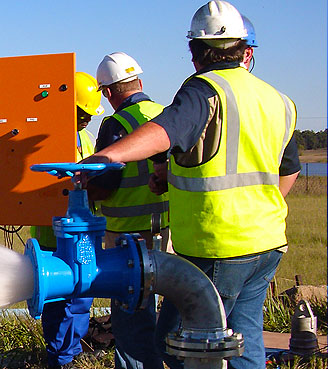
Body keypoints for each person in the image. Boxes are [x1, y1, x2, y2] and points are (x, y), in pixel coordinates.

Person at [79, 1, 300, 367]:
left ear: (194, 53)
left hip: (219, 245)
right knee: (244, 338)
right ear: (246, 51)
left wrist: (106, 157)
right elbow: (286, 169)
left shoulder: (204, 89)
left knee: (178, 343)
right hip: (268, 243)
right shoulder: (278, 100)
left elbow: (165, 132)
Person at [88, 51, 169, 369]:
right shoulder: (163, 113)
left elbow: (106, 182)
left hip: (126, 236)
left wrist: (80, 189)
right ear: (139, 81)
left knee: (130, 315)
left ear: (107, 92)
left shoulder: (115, 124)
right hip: (164, 228)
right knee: (157, 304)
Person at [34, 71, 104, 369]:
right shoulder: (44, 139)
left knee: (81, 300)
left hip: (83, 237)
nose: (87, 121)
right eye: (82, 113)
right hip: (53, 238)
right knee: (56, 304)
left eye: (89, 115)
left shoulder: (86, 140)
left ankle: (70, 355)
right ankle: (60, 358)